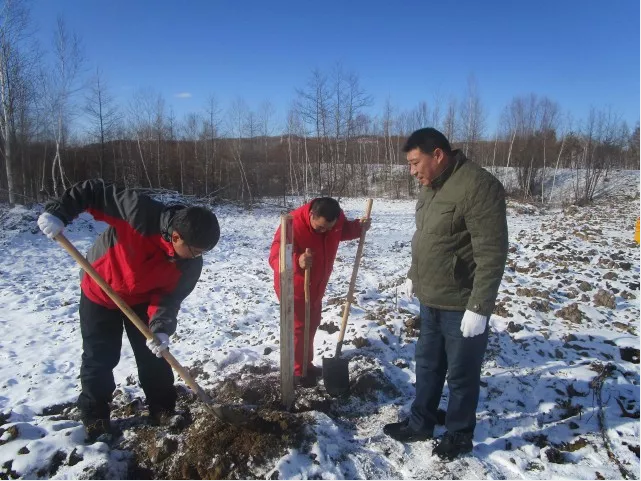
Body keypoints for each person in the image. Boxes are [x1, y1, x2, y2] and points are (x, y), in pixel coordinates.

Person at [37, 179, 220, 441]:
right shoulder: (139, 213)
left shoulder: (190, 265)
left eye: (204, 252)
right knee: (100, 357)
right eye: (195, 250)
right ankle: (95, 416)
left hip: (142, 300)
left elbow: (168, 299)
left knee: (154, 356)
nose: (197, 256)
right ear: (176, 236)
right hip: (100, 290)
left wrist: (161, 328)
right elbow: (94, 191)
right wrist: (59, 211)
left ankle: (163, 409)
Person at [383, 128, 508, 461]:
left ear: (437, 154)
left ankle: (458, 434)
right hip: (430, 297)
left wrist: (480, 307)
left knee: (462, 375)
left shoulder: (478, 186)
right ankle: (421, 422)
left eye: (414, 163)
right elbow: (427, 238)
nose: (412, 171)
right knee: (427, 366)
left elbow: (491, 252)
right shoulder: (430, 187)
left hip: (462, 304)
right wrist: (413, 276)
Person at [268, 197, 370, 385]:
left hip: (317, 285)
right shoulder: (292, 224)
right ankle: (296, 372)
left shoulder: (335, 220)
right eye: (320, 228)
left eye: (329, 228)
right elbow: (275, 256)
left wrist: (358, 227)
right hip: (294, 285)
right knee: (298, 327)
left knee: (312, 323)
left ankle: (307, 364)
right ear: (311, 215)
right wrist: (297, 261)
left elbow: (342, 230)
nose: (325, 231)